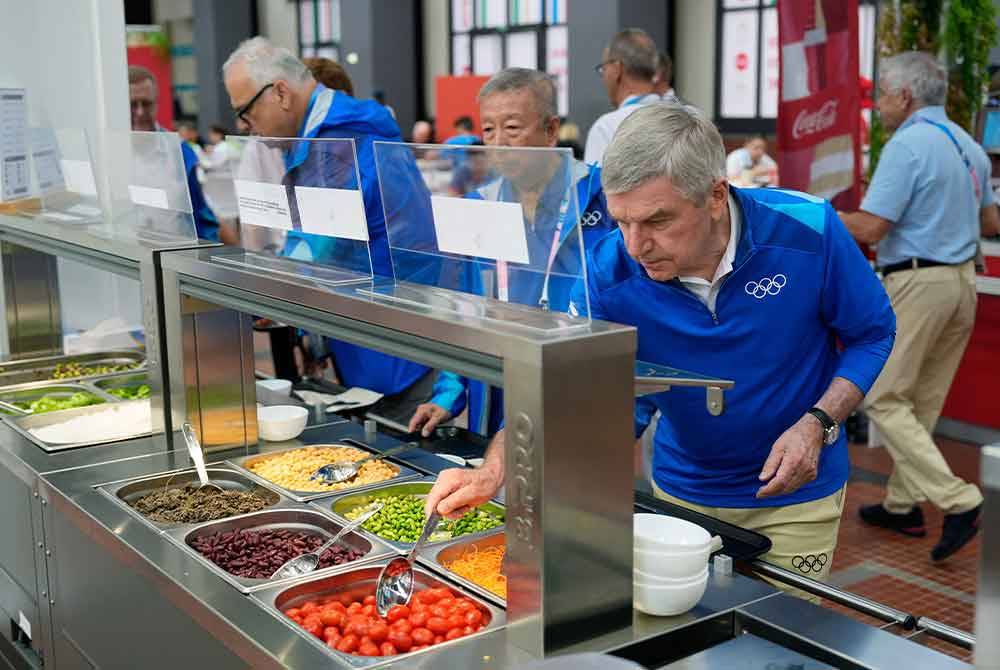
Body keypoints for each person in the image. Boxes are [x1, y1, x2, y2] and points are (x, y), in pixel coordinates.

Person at [426, 102, 896, 587]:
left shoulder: (808, 229)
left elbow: (873, 332)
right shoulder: (608, 272)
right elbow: (559, 383)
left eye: (656, 221)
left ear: (715, 196)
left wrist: (818, 424)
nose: (636, 245)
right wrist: (493, 470)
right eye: (621, 222)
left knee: (780, 649)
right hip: (681, 490)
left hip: (798, 496)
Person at [839, 52, 1000, 562]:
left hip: (917, 281)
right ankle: (902, 504)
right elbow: (992, 223)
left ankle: (961, 501)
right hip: (961, 284)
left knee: (882, 395)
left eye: (882, 95)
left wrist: (813, 211)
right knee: (922, 402)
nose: (879, 105)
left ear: (904, 96)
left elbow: (870, 228)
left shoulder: (907, 144)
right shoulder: (969, 146)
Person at [223, 37, 435, 416]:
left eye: (246, 112)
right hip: (373, 329)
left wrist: (263, 295)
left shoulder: (339, 141)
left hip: (395, 339)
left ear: (281, 93)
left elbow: (315, 246)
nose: (245, 126)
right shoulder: (323, 137)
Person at [408, 68, 615, 439]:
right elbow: (465, 307)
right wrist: (449, 392)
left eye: (513, 128)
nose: (499, 143)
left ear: (551, 131)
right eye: (489, 130)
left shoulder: (601, 196)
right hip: (499, 382)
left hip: (578, 379)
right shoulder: (479, 205)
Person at [128, 65, 221, 243]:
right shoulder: (109, 153)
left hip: (174, 260)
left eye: (146, 104)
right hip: (123, 261)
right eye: (132, 104)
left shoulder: (179, 151)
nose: (140, 112)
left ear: (157, 103)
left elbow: (202, 216)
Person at [584, 28, 662, 166]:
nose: (603, 76)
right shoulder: (689, 117)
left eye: (604, 68)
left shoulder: (607, 128)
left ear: (617, 69)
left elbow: (594, 187)